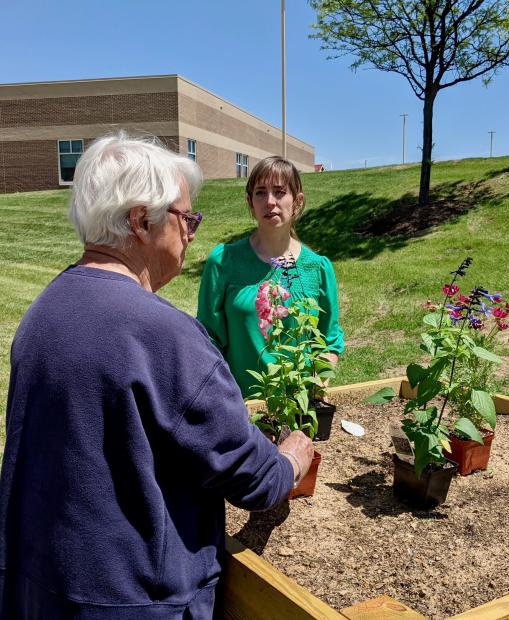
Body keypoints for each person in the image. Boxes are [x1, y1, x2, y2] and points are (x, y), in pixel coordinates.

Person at [0, 134, 313, 619]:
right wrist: (291, 459)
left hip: (43, 588)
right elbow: (252, 479)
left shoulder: (45, 311)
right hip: (134, 602)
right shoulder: (164, 336)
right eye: (186, 218)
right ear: (141, 221)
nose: (192, 233)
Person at [197, 156, 344, 398]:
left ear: (297, 202)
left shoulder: (318, 268)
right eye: (260, 193)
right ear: (250, 202)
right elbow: (207, 339)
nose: (270, 202)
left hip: (300, 409)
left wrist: (321, 376)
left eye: (279, 192)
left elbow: (330, 339)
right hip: (242, 411)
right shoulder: (224, 262)